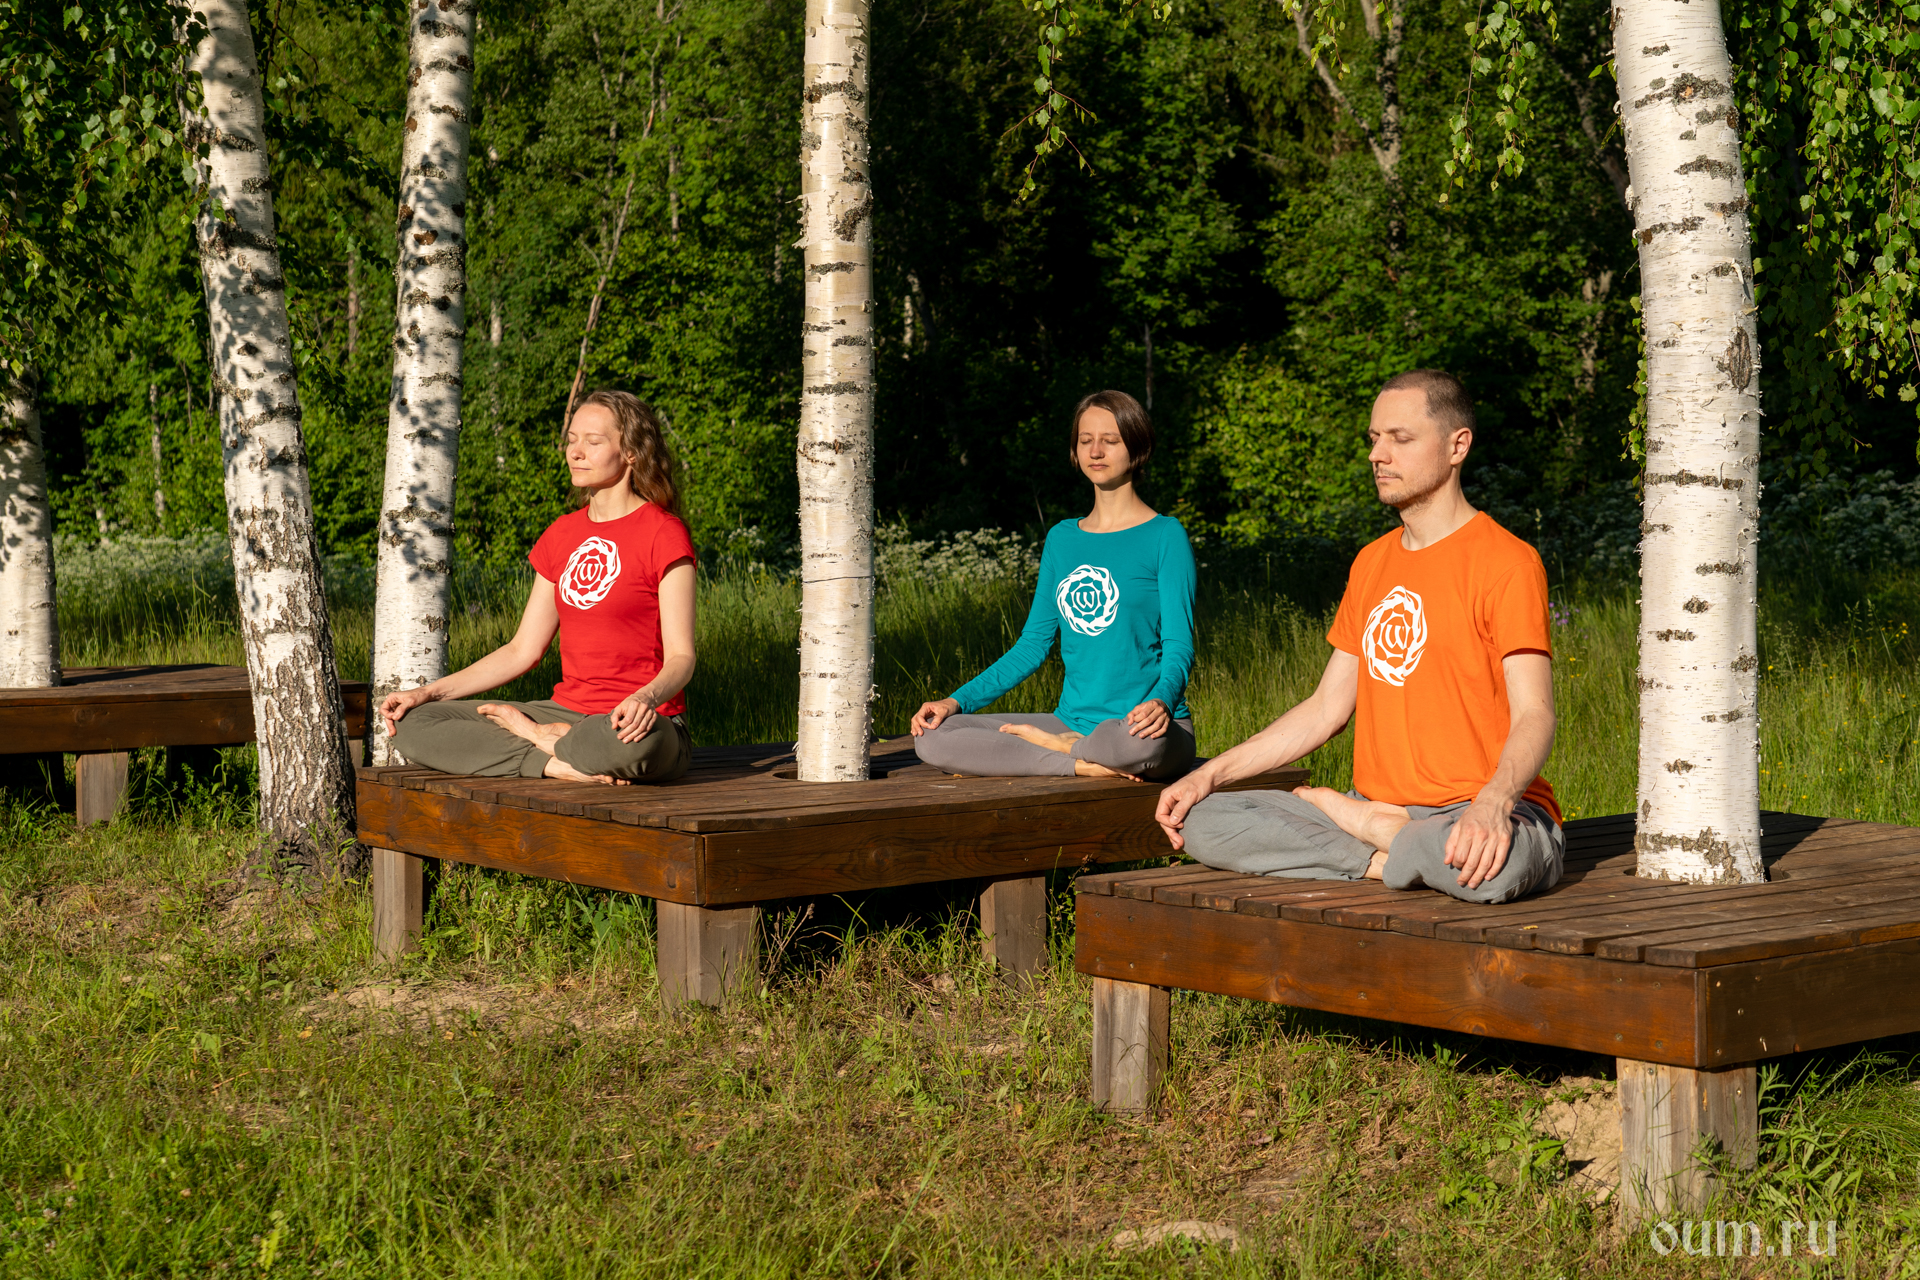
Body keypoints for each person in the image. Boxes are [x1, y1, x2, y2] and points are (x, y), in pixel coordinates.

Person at [1154, 370, 1563, 904]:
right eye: (1374, 439)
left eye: (1400, 438)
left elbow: (1536, 713)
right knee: (1203, 819)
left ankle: (1372, 833)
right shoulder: (1372, 563)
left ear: (1457, 446)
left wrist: (1493, 802)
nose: (1377, 455)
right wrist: (1208, 775)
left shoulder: (1507, 562)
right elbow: (1326, 709)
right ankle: (1384, 854)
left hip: (1482, 806)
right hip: (1378, 804)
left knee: (1501, 868)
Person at [379, 390, 696, 785]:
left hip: (637, 721)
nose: (575, 452)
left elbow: (682, 657)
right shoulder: (562, 534)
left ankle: (543, 742)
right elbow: (522, 650)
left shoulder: (663, 534)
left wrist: (645, 698)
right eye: (572, 440)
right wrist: (427, 693)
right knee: (412, 721)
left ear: (631, 453)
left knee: (637, 744)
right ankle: (554, 760)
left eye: (593, 442)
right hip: (565, 713)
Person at [909, 390, 1197, 781]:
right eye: (1085, 440)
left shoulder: (1164, 535)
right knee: (933, 735)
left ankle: (1063, 750)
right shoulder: (1063, 539)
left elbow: (1179, 645)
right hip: (1069, 722)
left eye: (1110, 441)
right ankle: (1079, 762)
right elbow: (1032, 646)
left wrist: (1162, 701)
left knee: (1139, 745)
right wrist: (956, 701)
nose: (1096, 451)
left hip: (1144, 728)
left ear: (1137, 447)